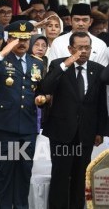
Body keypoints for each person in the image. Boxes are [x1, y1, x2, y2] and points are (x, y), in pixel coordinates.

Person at [0, 20, 47, 209]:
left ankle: (21, 206)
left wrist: (42, 98)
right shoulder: (0, 59)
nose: (22, 42)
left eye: (25, 38)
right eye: (17, 38)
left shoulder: (37, 63)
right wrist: (2, 53)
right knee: (6, 169)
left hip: (27, 125)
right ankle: (5, 206)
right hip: (5, 125)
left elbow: (41, 89)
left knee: (24, 169)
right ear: (10, 39)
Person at [41, 32, 107, 209]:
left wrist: (100, 131)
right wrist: (66, 64)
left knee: (80, 178)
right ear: (70, 48)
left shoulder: (97, 70)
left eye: (87, 47)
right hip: (61, 132)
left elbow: (101, 104)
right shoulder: (58, 65)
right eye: (80, 47)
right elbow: (45, 87)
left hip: (86, 133)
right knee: (60, 177)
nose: (84, 51)